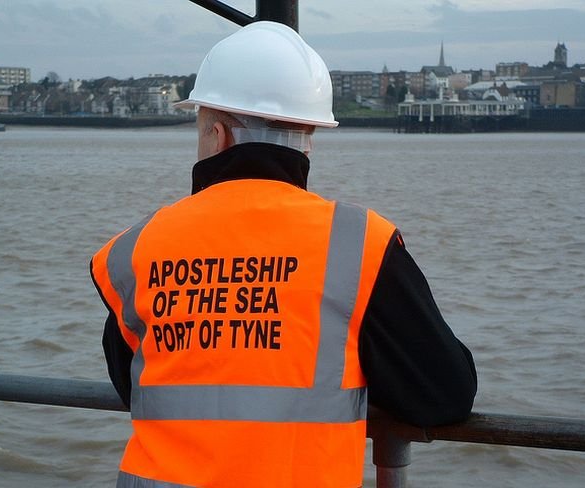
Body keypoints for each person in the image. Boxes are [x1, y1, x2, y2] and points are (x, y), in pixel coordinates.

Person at [90, 21, 476, 488]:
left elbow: (131, 382)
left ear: (218, 136)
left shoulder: (138, 248)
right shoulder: (358, 244)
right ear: (309, 138)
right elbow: (443, 394)